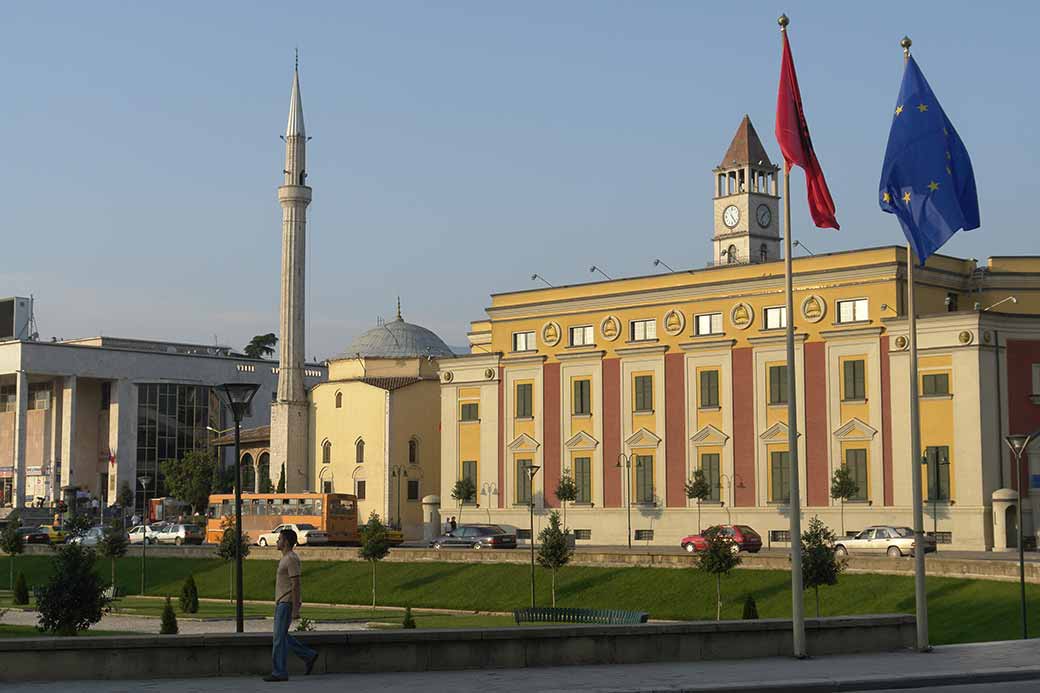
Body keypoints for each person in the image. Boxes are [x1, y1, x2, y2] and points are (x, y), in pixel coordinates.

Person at [264, 528, 318, 682]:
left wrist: (295, 608)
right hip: (281, 602)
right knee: (281, 636)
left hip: (286, 603)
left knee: (278, 639)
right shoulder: (286, 558)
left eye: (279, 539)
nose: (277, 541)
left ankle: (279, 672)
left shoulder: (291, 559)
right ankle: (309, 655)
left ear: (286, 542)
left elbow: (296, 584)